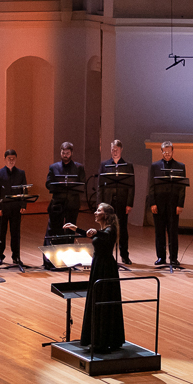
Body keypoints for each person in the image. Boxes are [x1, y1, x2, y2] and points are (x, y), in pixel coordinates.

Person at [69, 203, 125, 352]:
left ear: (105, 215)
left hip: (106, 268)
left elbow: (103, 235)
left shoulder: (110, 230)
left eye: (98, 211)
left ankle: (103, 340)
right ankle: (96, 338)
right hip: (99, 266)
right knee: (97, 299)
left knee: (103, 299)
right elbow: (93, 234)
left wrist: (95, 232)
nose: (95, 212)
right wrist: (76, 229)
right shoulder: (103, 230)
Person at [148, 141, 186, 267]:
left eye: (169, 151)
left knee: (173, 231)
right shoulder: (155, 166)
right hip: (158, 203)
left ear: (173, 151)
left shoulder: (180, 166)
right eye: (165, 151)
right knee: (159, 231)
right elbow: (151, 186)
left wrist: (180, 204)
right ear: (161, 151)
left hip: (173, 204)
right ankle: (161, 257)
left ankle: (173, 258)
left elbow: (182, 188)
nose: (167, 154)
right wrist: (152, 203)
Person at [98, 139, 135, 265]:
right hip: (108, 201)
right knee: (107, 228)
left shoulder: (128, 166)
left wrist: (129, 203)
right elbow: (100, 186)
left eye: (117, 150)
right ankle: (106, 255)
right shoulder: (104, 165)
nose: (114, 152)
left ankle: (124, 255)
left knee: (122, 229)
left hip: (122, 201)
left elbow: (131, 187)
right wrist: (100, 203)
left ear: (121, 150)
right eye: (113, 150)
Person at [0, 149, 28, 267]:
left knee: (15, 233)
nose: (11, 161)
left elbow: (24, 190)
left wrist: (23, 205)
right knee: (1, 233)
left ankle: (16, 257)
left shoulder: (21, 173)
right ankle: (0, 256)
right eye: (9, 159)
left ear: (16, 159)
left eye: (13, 159)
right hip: (3, 208)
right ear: (4, 159)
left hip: (16, 208)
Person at [46, 142, 88, 242]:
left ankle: (69, 249)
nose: (65, 155)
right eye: (63, 153)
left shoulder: (79, 167)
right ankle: (56, 249)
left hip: (72, 203)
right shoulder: (53, 167)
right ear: (60, 152)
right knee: (56, 230)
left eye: (67, 153)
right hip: (57, 203)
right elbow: (48, 184)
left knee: (71, 230)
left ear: (72, 153)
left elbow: (82, 184)